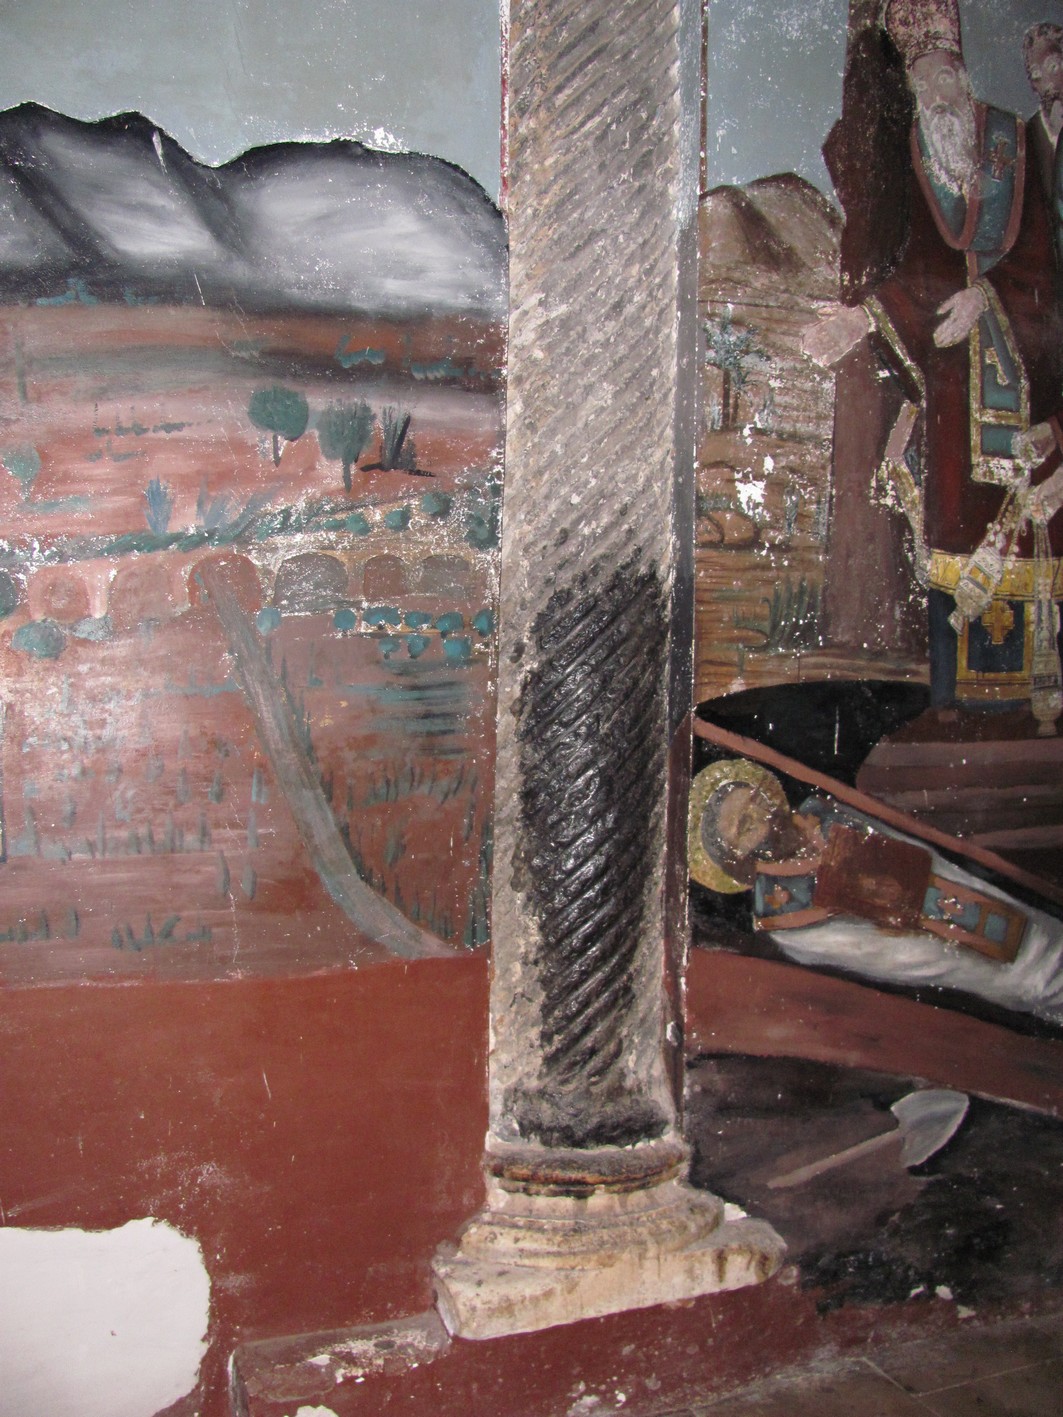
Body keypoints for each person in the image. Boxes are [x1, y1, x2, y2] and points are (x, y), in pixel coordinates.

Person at [804, 0, 1063, 727]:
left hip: (1025, 367)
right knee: (952, 529)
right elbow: (913, 265)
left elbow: (1042, 261)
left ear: (961, 69)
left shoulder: (1009, 141)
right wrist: (867, 314)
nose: (937, 88)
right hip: (950, 381)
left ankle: (1032, 703)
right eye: (922, 75)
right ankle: (955, 705)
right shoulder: (910, 153)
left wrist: (988, 294)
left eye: (945, 70)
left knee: (1031, 529)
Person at [689, 758, 1063, 1028]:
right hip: (936, 941)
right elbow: (893, 957)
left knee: (1038, 932)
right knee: (1031, 976)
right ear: (736, 857)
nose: (761, 816)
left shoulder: (820, 813)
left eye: (754, 801)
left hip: (960, 890)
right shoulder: (784, 916)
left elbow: (911, 848)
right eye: (744, 826)